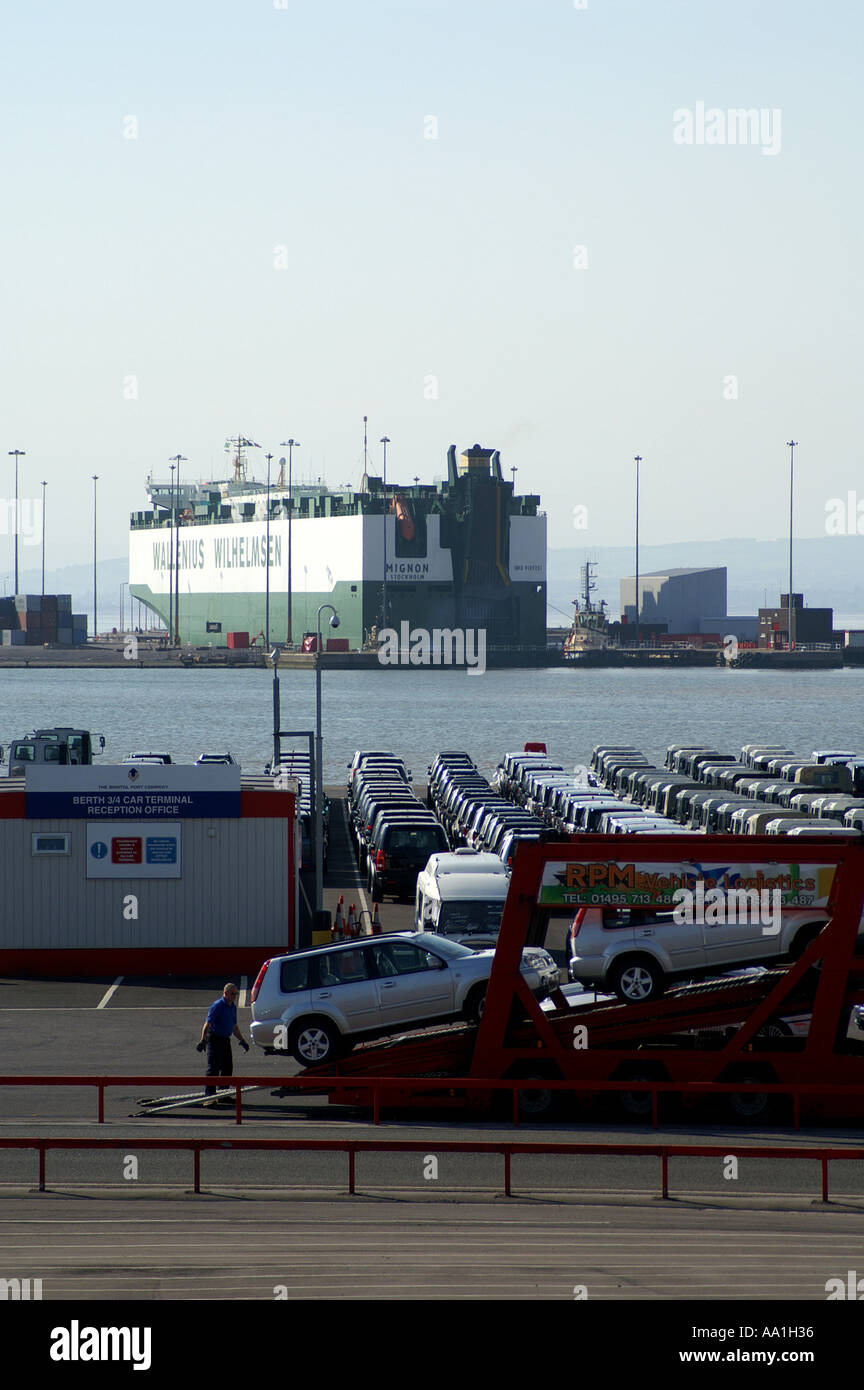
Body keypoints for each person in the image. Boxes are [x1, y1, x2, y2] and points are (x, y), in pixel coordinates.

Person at [196, 982, 249, 1106]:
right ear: (225, 993)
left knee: (227, 1067)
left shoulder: (232, 1007)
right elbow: (207, 1024)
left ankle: (222, 1094)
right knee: (213, 1068)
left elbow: (234, 1026)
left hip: (225, 1040)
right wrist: (203, 1040)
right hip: (214, 1039)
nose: (235, 996)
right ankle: (209, 1097)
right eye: (233, 993)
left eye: (236, 993)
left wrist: (242, 1040)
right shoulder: (217, 1006)